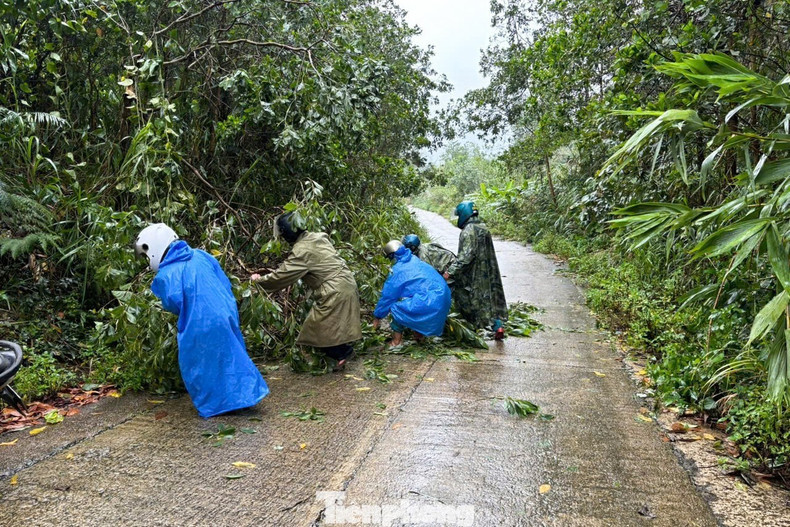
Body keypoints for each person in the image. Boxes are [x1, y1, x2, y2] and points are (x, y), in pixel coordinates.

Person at [135, 223, 269, 418]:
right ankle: (245, 397)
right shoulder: (201, 255)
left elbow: (172, 303)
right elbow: (223, 281)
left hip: (199, 322)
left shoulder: (166, 274)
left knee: (201, 364)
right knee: (233, 355)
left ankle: (218, 405)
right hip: (226, 312)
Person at [251, 212, 361, 368]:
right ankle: (342, 353)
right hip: (346, 282)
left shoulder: (302, 251)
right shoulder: (318, 237)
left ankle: (343, 353)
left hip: (334, 289)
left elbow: (282, 276)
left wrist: (258, 282)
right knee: (330, 323)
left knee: (316, 328)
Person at [445, 201, 508, 340]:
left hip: (474, 273)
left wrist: (450, 272)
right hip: (489, 271)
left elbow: (466, 256)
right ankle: (498, 325)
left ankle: (475, 326)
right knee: (490, 298)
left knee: (467, 298)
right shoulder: (483, 227)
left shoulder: (468, 231)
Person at [373, 240, 452, 346]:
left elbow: (388, 297)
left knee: (396, 307)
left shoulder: (398, 270)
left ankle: (396, 341)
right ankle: (419, 336)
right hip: (444, 297)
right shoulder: (415, 260)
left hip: (432, 300)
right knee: (412, 303)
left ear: (393, 256)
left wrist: (377, 316)